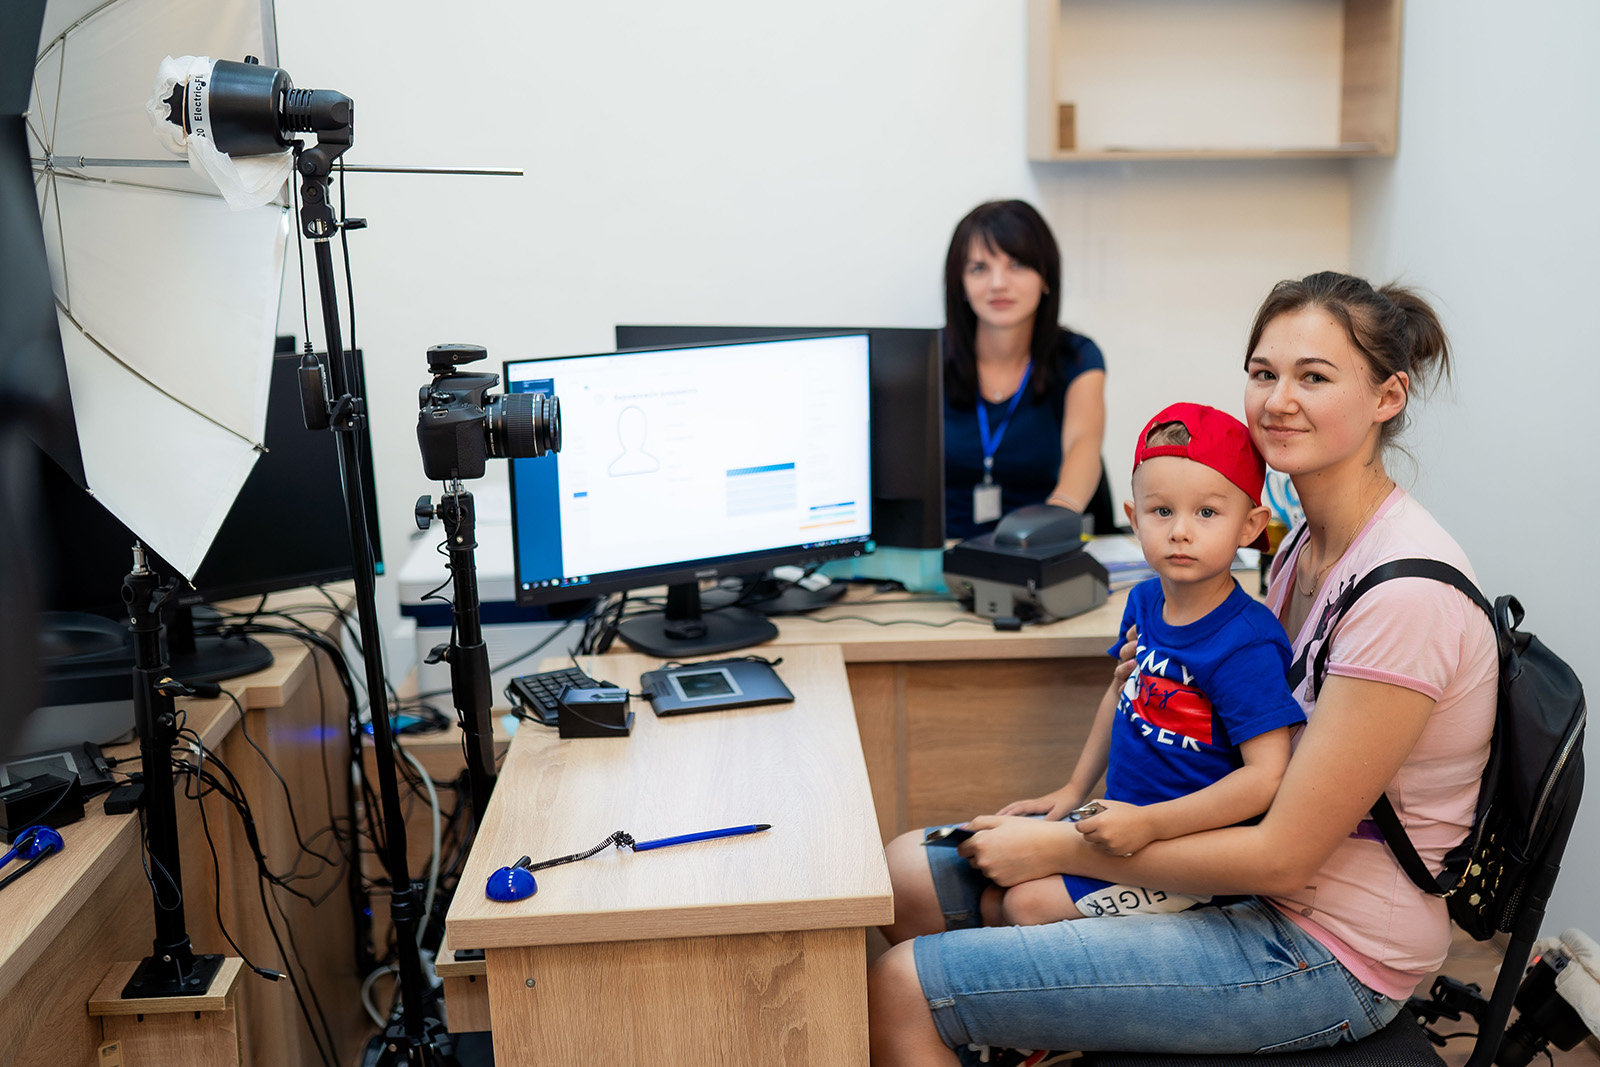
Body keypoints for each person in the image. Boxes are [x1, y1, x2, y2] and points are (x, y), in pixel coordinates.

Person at [869, 271, 1499, 1064]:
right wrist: (1075, 802)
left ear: (1387, 395)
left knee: (902, 985)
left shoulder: (1405, 595)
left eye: (1314, 377)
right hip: (1248, 881)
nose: (1278, 400)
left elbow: (1285, 853)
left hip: (1323, 945)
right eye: (1264, 372)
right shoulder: (1302, 548)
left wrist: (1062, 846)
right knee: (903, 875)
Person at [985, 402, 1305, 929]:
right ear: (1134, 519)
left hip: (1190, 853)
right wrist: (1072, 792)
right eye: (1161, 512)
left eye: (1207, 513)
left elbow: (1266, 776)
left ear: (1251, 526)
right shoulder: (1143, 602)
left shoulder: (1246, 642)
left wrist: (1151, 824)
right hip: (1123, 827)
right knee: (998, 893)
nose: (1180, 531)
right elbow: (1121, 697)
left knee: (1024, 905)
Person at [941, 200, 1109, 539]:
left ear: (1045, 277)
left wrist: (1055, 518)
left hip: (1036, 545)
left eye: (1016, 265)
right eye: (979, 268)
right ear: (960, 283)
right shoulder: (927, 359)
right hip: (944, 551)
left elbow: (1083, 445)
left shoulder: (1077, 357)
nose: (998, 283)